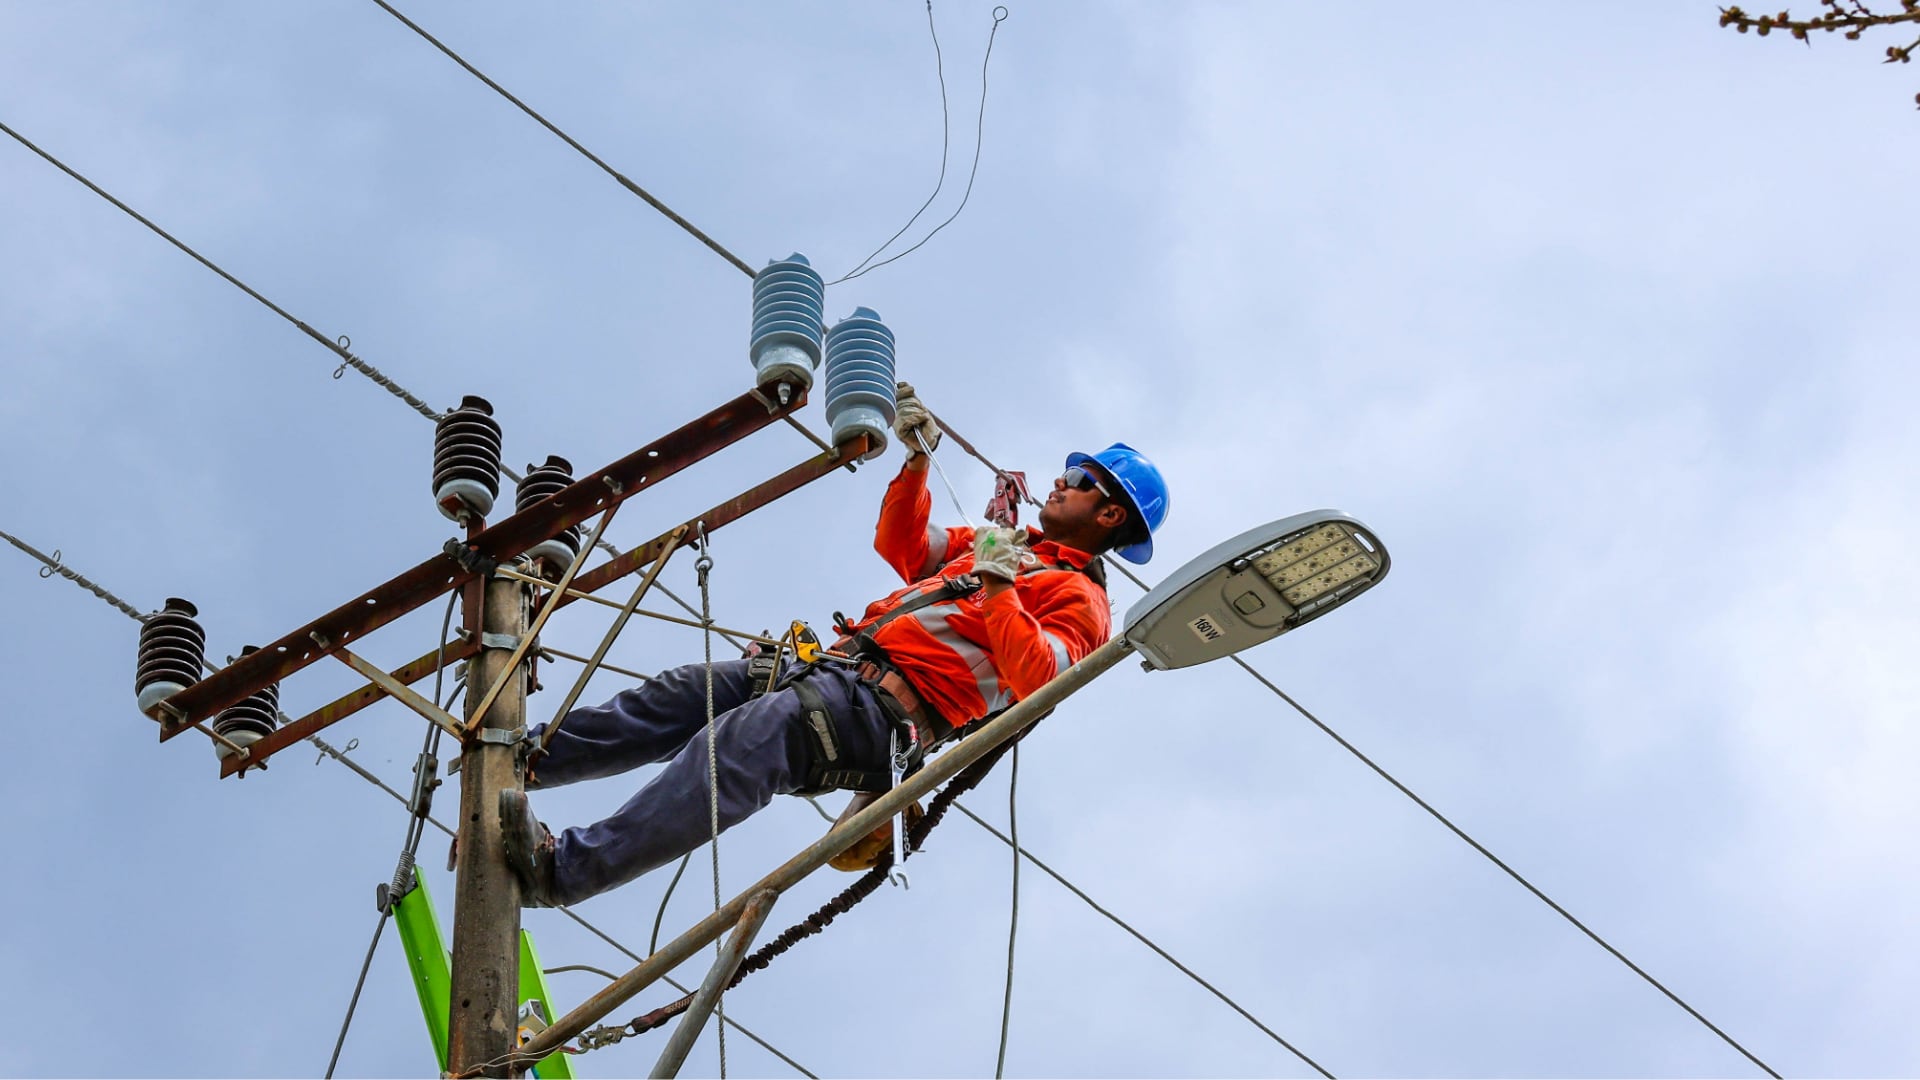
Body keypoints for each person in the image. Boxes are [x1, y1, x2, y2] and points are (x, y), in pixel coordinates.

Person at [500, 385, 1171, 907]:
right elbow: (906, 547)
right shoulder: (1007, 549)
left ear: (1109, 513)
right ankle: (522, 758)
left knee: (734, 750)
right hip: (833, 670)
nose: (1059, 482)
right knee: (682, 694)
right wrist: (917, 462)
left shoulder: (1081, 602)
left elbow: (1037, 678)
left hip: (884, 717)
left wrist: (999, 587)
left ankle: (564, 871)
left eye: (1079, 481)